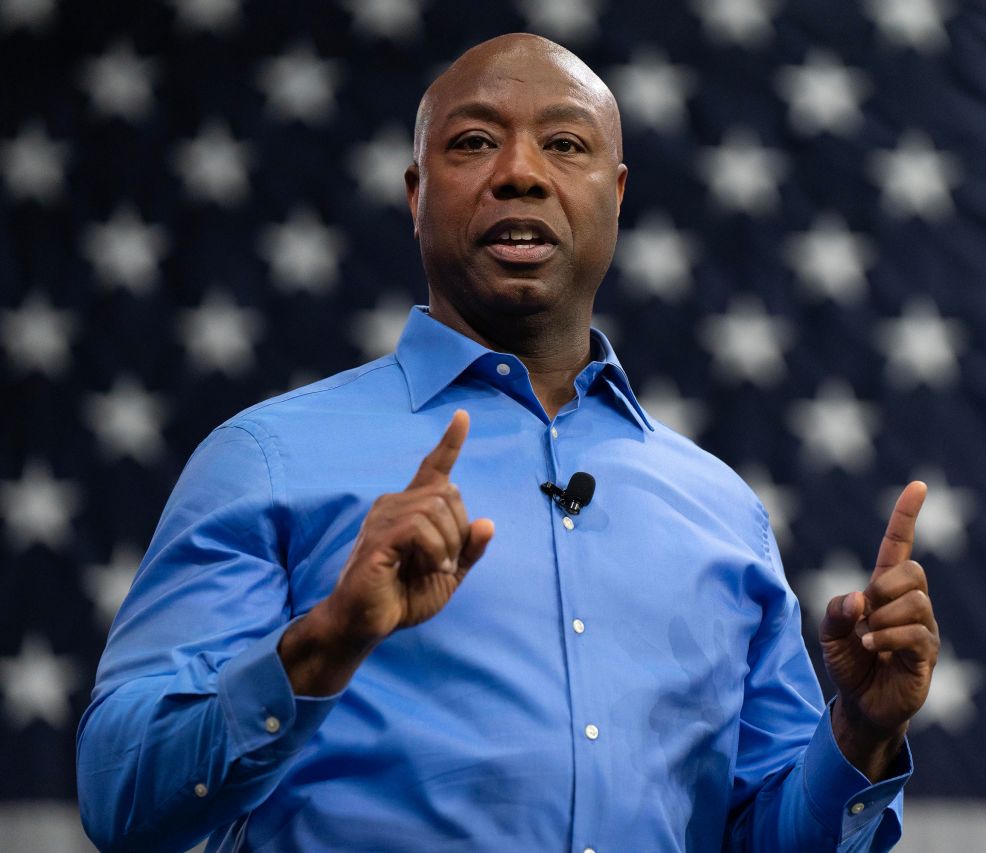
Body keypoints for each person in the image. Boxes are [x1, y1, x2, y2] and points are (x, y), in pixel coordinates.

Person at [77, 33, 939, 852]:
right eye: (474, 143)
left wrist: (860, 735)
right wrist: (325, 641)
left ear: (618, 193)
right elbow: (122, 798)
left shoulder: (722, 509)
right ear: (417, 195)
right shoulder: (264, 458)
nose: (520, 173)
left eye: (565, 145)